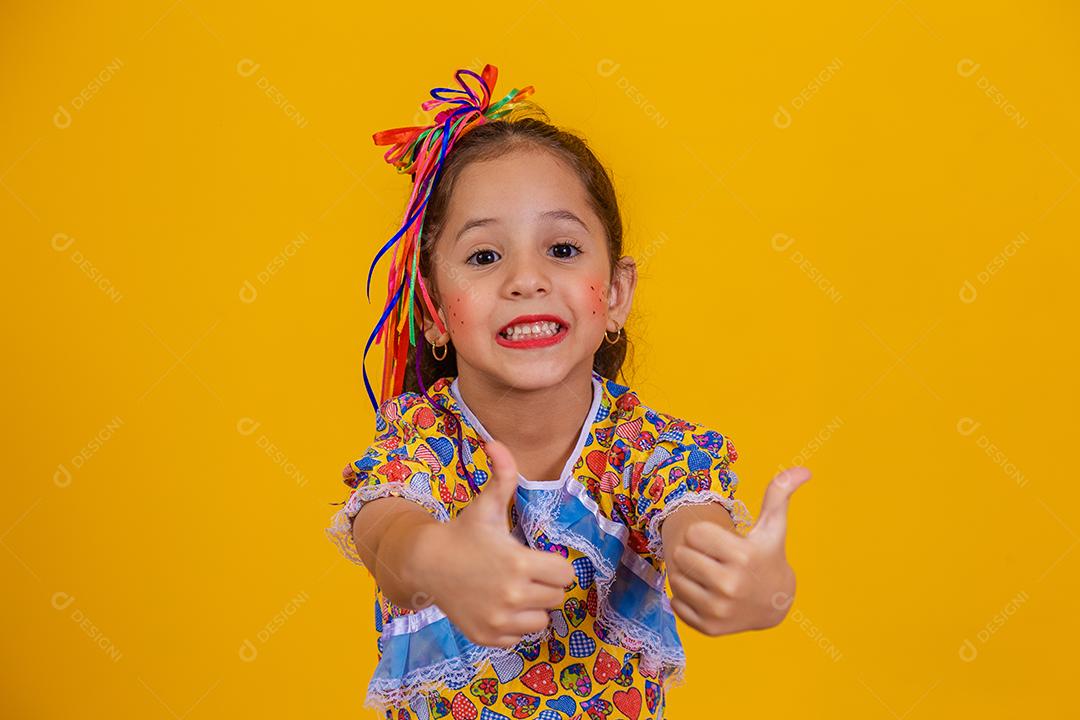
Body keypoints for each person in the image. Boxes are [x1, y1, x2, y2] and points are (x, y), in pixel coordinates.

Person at [326, 64, 811, 720]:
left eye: (560, 248)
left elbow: (695, 527)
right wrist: (440, 561)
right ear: (434, 312)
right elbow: (388, 537)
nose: (526, 279)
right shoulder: (423, 441)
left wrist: (743, 578)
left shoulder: (646, 450)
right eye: (484, 257)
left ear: (614, 294)